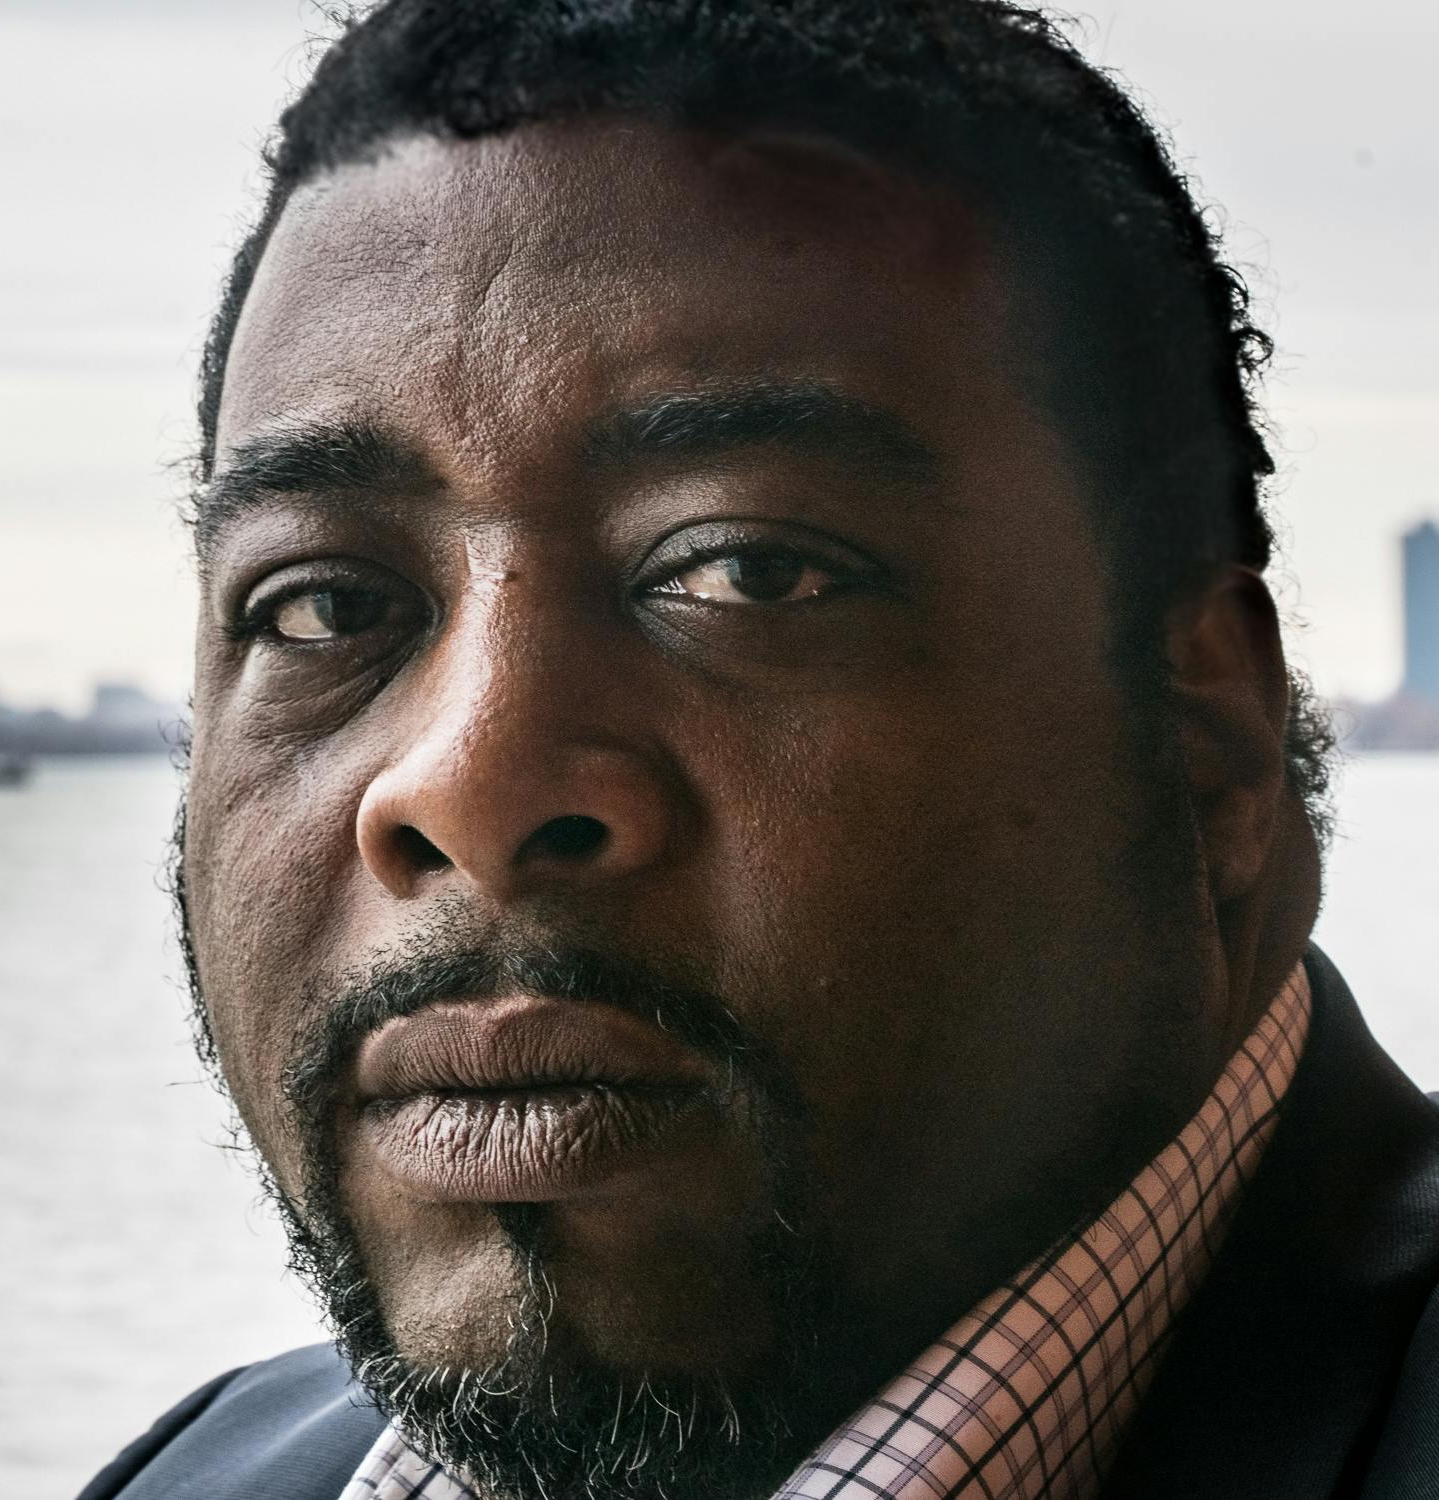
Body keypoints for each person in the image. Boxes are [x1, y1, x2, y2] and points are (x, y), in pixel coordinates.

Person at [88, 2, 1439, 1497]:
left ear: (1215, 744)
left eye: (749, 572)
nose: (466, 784)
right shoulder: (199, 1478)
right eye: (325, 604)